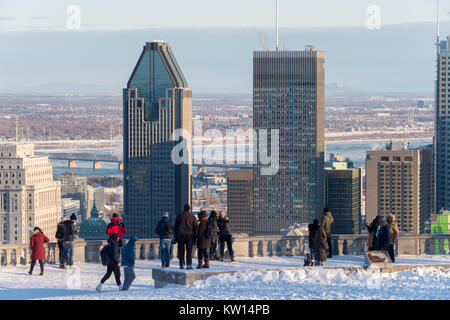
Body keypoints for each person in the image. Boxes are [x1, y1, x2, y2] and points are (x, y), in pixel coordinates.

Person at [174, 204, 198, 270]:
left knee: (181, 250)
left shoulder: (179, 216)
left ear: (184, 208)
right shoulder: (192, 216)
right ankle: (189, 264)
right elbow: (195, 228)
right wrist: (195, 238)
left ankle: (181, 264)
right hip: (189, 235)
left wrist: (175, 238)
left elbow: (175, 227)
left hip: (180, 235)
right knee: (189, 250)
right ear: (189, 209)